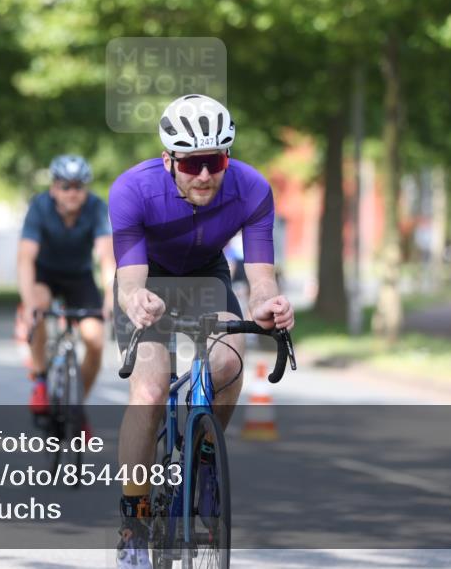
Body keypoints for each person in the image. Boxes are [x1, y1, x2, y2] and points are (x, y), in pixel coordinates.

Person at [109, 94, 295, 567]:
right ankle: (134, 523)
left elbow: (261, 279)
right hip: (147, 278)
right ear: (169, 159)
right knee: (150, 390)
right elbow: (130, 275)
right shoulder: (132, 189)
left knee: (230, 360)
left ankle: (204, 461)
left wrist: (269, 306)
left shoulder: (252, 189)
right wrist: (135, 299)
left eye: (215, 161)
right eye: (192, 164)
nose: (206, 175)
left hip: (207, 275)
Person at [17, 155, 115, 419]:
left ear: (86, 189)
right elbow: (25, 259)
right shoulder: (39, 207)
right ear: (54, 188)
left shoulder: (95, 207)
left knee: (95, 339)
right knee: (38, 309)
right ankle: (39, 378)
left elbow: (106, 256)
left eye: (78, 186)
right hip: (45, 274)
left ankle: (76, 405)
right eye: (65, 186)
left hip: (79, 276)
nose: (72, 192)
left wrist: (109, 299)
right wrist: (28, 304)